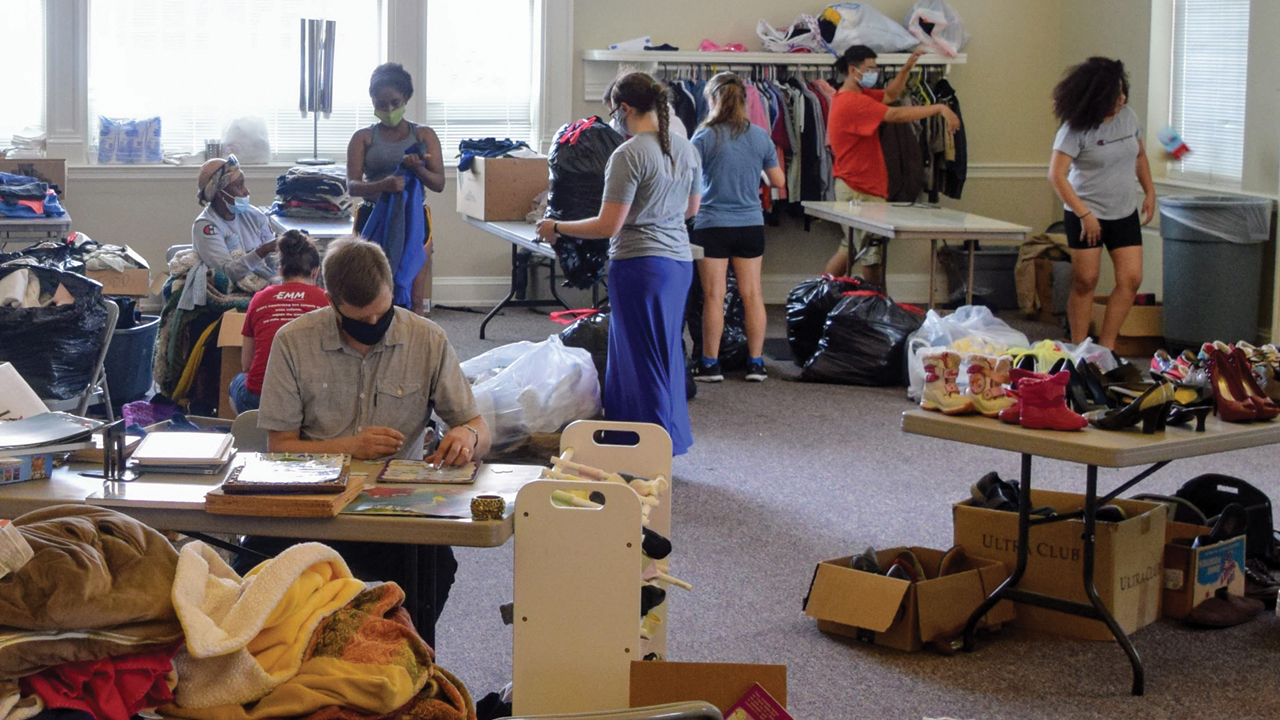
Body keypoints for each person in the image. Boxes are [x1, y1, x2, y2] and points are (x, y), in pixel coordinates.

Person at [251, 236, 492, 625]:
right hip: (312, 507)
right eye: (361, 319)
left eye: (382, 313)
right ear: (331, 301)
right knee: (258, 562)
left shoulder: (427, 338)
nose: (374, 324)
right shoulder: (295, 341)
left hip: (397, 511)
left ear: (391, 291)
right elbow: (279, 448)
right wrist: (350, 447)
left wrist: (468, 437)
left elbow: (476, 424)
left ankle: (403, 657)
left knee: (436, 568)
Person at [535, 72, 701, 455]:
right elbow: (692, 209)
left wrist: (556, 226)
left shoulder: (627, 154)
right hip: (678, 266)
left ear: (625, 108)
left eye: (613, 111)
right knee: (666, 355)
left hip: (640, 266)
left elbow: (609, 225)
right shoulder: (686, 148)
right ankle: (665, 439)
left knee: (638, 359)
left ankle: (647, 447)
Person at [822, 46, 961, 286]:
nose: (874, 72)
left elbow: (889, 95)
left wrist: (907, 68)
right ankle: (873, 303)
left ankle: (822, 296)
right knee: (869, 254)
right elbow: (894, 114)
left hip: (861, 187)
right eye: (870, 68)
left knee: (853, 247)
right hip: (859, 188)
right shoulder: (852, 102)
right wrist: (940, 108)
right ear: (853, 70)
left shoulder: (857, 96)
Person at [1049, 57, 1156, 349]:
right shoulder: (1075, 130)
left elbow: (1139, 155)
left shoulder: (1129, 117)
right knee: (1086, 281)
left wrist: (1149, 191)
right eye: (1114, 95)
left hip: (1123, 211)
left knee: (1131, 278)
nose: (1121, 100)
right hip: (1085, 213)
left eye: (1123, 93)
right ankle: (1080, 348)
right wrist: (1085, 215)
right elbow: (1057, 176)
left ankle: (1107, 348)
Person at [688, 72, 786, 383]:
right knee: (752, 294)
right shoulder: (759, 136)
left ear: (712, 100)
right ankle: (756, 364)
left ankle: (709, 364)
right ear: (744, 101)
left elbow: (689, 184)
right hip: (750, 224)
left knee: (714, 296)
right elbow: (778, 182)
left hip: (712, 224)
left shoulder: (703, 138)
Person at [346, 63, 444, 315]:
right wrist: (384, 185)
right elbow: (353, 186)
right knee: (371, 293)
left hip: (413, 220)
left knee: (414, 297)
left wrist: (417, 169)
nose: (388, 109)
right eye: (381, 104)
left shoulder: (423, 135)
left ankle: (414, 351)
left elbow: (439, 183)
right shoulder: (363, 138)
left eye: (394, 102)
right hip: (373, 217)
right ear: (372, 101)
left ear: (406, 98)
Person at [228, 230, 327, 414]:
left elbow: (247, 365)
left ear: (280, 271)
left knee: (237, 381)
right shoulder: (328, 301)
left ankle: (251, 432)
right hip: (311, 401)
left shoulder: (259, 298)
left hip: (260, 400)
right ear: (316, 272)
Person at [192, 154, 279, 289]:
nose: (246, 191)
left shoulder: (254, 215)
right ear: (220, 194)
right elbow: (226, 272)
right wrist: (263, 250)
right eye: (239, 186)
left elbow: (274, 260)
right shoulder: (206, 227)